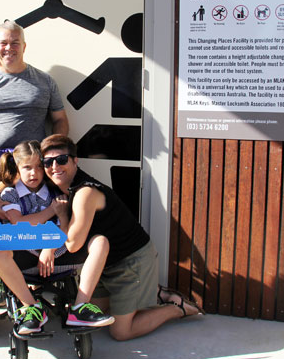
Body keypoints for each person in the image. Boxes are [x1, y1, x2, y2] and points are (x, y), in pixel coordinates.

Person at [39, 134, 202, 341]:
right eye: (48, 162)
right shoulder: (59, 189)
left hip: (131, 261)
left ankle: (176, 307)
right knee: (95, 311)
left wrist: (61, 216)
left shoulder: (84, 193)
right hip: (105, 264)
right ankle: (156, 292)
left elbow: (72, 245)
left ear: (75, 160)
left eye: (61, 160)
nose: (54, 166)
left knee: (120, 331)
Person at [0, 140, 114, 335]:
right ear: (17, 168)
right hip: (25, 253)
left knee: (100, 242)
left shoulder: (56, 191)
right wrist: (51, 210)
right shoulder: (10, 194)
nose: (34, 173)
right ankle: (32, 307)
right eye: (27, 168)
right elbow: (20, 224)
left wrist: (50, 246)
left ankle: (80, 308)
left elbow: (64, 224)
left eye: (39, 167)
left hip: (58, 253)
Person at [0, 20, 69, 224]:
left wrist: (51, 152)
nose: (9, 48)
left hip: (33, 168)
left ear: (24, 46)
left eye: (15, 42)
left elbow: (60, 120)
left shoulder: (45, 82)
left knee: (37, 229)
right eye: (3, 43)